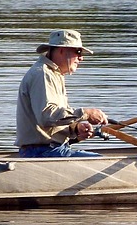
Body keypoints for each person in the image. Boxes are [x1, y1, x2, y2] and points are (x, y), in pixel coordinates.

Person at [17, 29, 110, 158]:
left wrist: (75, 129)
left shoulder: (53, 74)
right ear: (61, 50)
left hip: (49, 149)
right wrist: (86, 114)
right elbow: (47, 116)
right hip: (43, 152)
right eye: (78, 52)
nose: (81, 58)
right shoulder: (42, 74)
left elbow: (51, 122)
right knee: (101, 162)